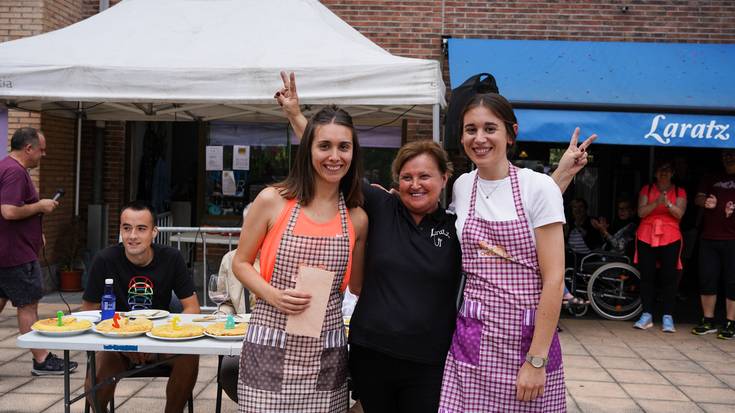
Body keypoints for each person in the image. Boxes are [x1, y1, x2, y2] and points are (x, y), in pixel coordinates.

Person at [275, 72, 592, 412]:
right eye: (471, 129)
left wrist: (537, 359)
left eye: (425, 176)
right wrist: (296, 115)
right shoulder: (421, 198)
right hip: (428, 346)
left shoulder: (491, 204)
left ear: (444, 179)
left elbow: (539, 255)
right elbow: (337, 163)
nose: (415, 184)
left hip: (486, 346)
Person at [231, 104, 368, 412]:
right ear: (308, 150)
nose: (334, 156)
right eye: (324, 146)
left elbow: (358, 286)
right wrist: (273, 295)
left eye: (343, 147)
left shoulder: (357, 218)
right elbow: (240, 263)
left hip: (325, 355)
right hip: (269, 345)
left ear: (353, 153)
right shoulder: (272, 201)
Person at [438, 93, 567, 411]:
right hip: (471, 339)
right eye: (470, 129)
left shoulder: (538, 187)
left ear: (511, 134)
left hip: (525, 342)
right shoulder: (462, 186)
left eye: (489, 128)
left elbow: (554, 279)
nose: (479, 138)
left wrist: (536, 360)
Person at [81, 201, 200, 413]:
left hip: (160, 341)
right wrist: (123, 344)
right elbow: (88, 312)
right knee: (98, 374)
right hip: (116, 343)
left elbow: (192, 308)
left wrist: (161, 339)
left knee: (189, 356)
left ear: (154, 232)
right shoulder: (104, 260)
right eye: (126, 228)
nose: (132, 236)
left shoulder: (171, 258)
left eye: (141, 229)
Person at [0, 127, 74, 376]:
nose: (44, 154)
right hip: (16, 255)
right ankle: (41, 360)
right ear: (28, 148)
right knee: (28, 304)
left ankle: (41, 357)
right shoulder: (14, 172)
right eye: (41, 149)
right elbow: (9, 211)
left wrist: (34, 228)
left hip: (7, 251)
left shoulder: (6, 167)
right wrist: (39, 206)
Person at [632, 160, 686, 332]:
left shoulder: (679, 191)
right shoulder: (647, 189)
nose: (664, 173)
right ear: (655, 173)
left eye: (667, 170)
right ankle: (647, 314)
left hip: (670, 236)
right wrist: (656, 203)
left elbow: (679, 214)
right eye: (661, 170)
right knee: (647, 276)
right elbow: (641, 212)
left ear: (672, 173)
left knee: (669, 277)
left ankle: (667, 316)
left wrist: (667, 203)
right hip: (646, 235)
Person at [692, 149, 735, 340]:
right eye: (725, 155)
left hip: (733, 238)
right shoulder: (712, 176)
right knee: (707, 278)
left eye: (732, 154)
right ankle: (708, 320)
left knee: (732, 281)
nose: (728, 158)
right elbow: (698, 197)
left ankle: (730, 323)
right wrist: (706, 201)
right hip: (709, 237)